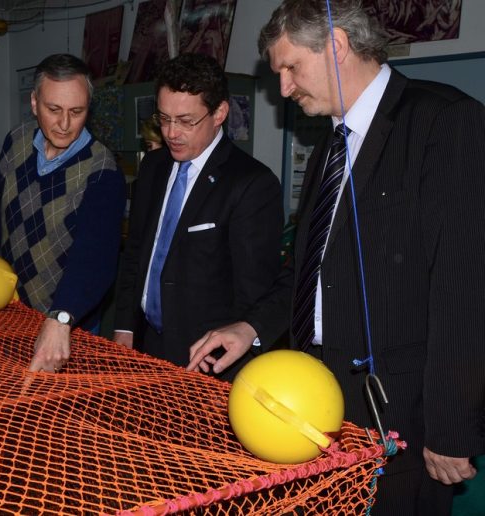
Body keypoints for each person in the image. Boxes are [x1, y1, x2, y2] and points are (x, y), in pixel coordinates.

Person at [187, 1, 485, 514]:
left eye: (290, 67)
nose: (283, 88)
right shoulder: (332, 143)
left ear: (337, 46)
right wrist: (250, 327)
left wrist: (452, 426)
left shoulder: (444, 122)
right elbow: (311, 270)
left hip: (402, 410)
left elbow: (463, 287)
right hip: (317, 399)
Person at [113, 53, 283, 380]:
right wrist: (125, 327)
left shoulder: (251, 184)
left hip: (206, 358)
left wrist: (227, 365)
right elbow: (136, 253)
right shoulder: (153, 167)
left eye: (186, 120)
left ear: (219, 113)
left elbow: (254, 293)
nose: (171, 132)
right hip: (145, 344)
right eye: (164, 118)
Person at [0, 53, 126, 374]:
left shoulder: (102, 170)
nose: (65, 124)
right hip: (5, 312)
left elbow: (94, 259)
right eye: (54, 110)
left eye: (76, 112)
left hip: (67, 326)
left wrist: (60, 317)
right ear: (34, 103)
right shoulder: (16, 142)